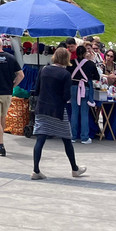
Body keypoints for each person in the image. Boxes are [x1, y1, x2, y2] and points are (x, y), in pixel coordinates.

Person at [31, 47, 87, 180]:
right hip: (58, 110)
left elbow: (37, 89)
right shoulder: (65, 74)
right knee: (67, 139)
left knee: (40, 139)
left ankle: (36, 170)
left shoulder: (44, 69)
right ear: (66, 59)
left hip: (42, 108)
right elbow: (66, 95)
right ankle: (74, 168)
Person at [70, 43, 101, 144]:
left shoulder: (70, 63)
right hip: (85, 88)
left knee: (74, 112)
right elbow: (97, 76)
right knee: (84, 113)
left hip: (73, 87)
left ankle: (73, 136)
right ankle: (84, 137)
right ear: (85, 53)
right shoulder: (90, 64)